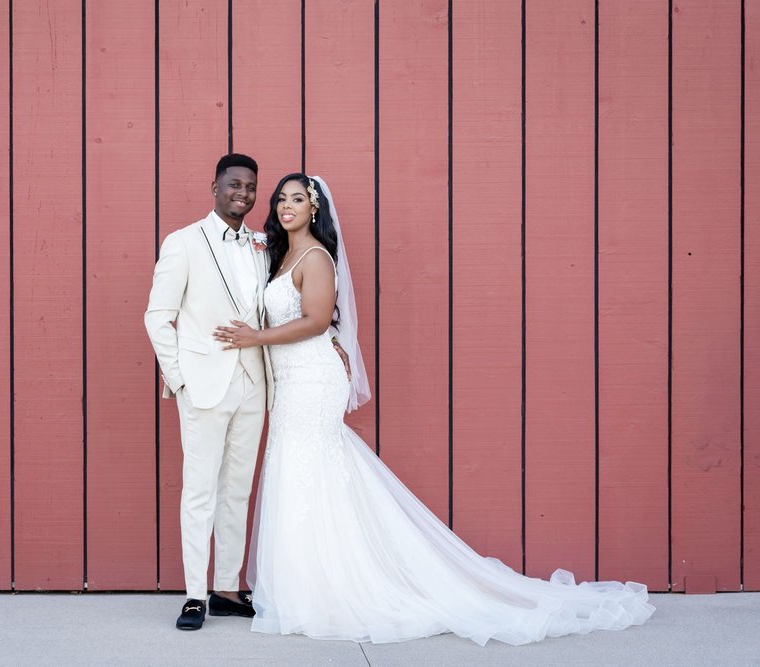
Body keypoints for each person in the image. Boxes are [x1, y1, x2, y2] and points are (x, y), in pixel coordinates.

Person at [212, 174, 655, 646]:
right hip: (291, 380)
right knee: (299, 469)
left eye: (298, 199)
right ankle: (304, 584)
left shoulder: (317, 257)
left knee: (308, 468)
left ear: (314, 208)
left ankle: (330, 588)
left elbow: (318, 320)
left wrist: (256, 337)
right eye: (281, 199)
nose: (287, 205)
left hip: (313, 380)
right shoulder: (280, 255)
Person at [144, 153, 271, 631]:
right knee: (200, 491)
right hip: (203, 384)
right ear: (215, 187)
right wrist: (179, 378)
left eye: (250, 186)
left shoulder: (262, 245)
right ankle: (195, 595)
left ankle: (226, 589)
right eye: (234, 184)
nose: (243, 193)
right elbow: (158, 317)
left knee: (238, 490)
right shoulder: (183, 242)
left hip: (253, 383)